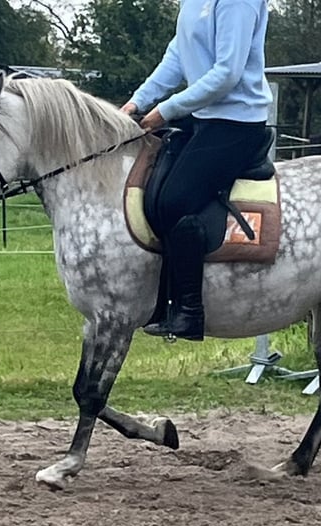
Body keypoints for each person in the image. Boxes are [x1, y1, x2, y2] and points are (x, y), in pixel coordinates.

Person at [120, 0, 273, 342]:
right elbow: (177, 55)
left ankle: (189, 311)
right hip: (203, 117)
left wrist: (165, 110)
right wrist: (137, 102)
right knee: (154, 192)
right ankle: (160, 303)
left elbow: (227, 74)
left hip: (238, 122)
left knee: (175, 200)